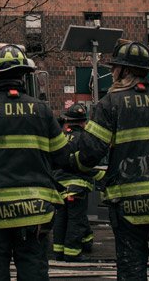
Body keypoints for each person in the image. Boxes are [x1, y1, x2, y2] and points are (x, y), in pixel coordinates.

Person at [72, 42, 149, 281]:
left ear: (123, 71)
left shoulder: (110, 103)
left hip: (129, 206)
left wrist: (74, 163)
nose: (113, 72)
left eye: (115, 67)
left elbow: (90, 152)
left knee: (131, 269)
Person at [0, 45, 69, 281]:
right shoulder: (42, 110)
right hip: (34, 209)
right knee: (33, 268)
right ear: (23, 76)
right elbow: (62, 155)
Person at [51, 102, 98, 262]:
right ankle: (72, 252)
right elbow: (88, 161)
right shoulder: (84, 138)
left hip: (59, 186)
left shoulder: (60, 138)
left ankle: (58, 251)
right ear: (83, 122)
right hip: (77, 187)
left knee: (61, 218)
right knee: (75, 219)